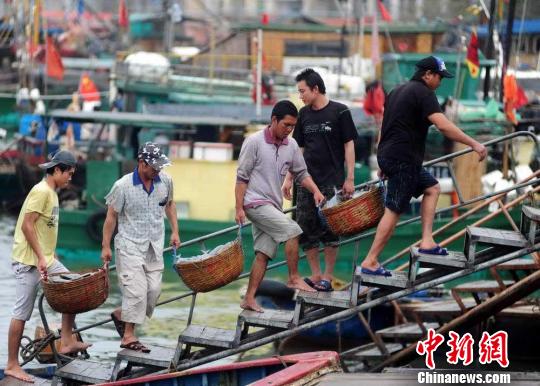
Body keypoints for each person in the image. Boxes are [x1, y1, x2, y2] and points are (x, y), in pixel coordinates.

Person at [360, 56, 487, 276]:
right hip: (404, 158)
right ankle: (370, 261)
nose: (440, 82)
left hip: (392, 156)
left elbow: (386, 126)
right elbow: (443, 125)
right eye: (439, 77)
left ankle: (427, 242)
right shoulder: (424, 93)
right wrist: (474, 143)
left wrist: (384, 159)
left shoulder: (396, 91)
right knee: (394, 210)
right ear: (427, 74)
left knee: (432, 188)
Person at [6, 150, 90, 383]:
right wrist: (41, 257)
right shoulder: (41, 191)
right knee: (22, 312)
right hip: (28, 260)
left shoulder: (52, 193)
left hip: (46, 258)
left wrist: (48, 256)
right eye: (69, 173)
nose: (70, 178)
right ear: (57, 170)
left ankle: (66, 340)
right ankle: (12, 364)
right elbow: (27, 226)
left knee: (73, 287)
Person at [235, 100, 325, 312]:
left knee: (263, 253)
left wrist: (316, 191)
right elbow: (241, 178)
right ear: (273, 120)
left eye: (293, 126)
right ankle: (294, 278)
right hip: (254, 203)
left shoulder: (291, 145)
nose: (289, 130)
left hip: (273, 206)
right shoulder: (253, 142)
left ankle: (249, 298)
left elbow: (301, 173)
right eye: (286, 125)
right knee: (293, 230)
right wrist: (239, 208)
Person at [282, 68, 358, 292]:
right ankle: (315, 274)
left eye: (303, 91)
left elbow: (349, 144)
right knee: (304, 228)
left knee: (330, 230)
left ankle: (328, 275)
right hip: (305, 181)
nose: (301, 96)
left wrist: (350, 178)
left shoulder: (340, 111)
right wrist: (288, 179)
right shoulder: (303, 114)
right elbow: (298, 150)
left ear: (316, 89)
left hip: (331, 180)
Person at [101, 142, 180, 353]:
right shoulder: (122, 186)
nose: (158, 170)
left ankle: (122, 314)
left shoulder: (166, 181)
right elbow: (111, 217)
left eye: (160, 166)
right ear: (142, 163)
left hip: (154, 244)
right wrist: (105, 246)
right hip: (129, 245)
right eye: (154, 167)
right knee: (136, 291)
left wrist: (175, 231)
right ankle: (128, 336)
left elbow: (170, 205)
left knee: (153, 291)